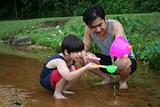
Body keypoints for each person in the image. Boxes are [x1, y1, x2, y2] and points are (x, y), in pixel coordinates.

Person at [82, 5, 137, 89]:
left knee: (122, 61)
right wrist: (82, 52)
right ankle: (108, 78)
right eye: (93, 27)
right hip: (108, 61)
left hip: (124, 60)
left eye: (100, 25)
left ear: (105, 19)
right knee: (81, 56)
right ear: (89, 26)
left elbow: (120, 42)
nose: (98, 29)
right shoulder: (88, 29)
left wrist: (116, 56)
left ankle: (122, 82)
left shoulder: (115, 25)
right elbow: (86, 46)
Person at [39, 34, 98, 99]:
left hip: (54, 79)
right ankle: (57, 93)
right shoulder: (59, 61)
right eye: (76, 52)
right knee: (66, 73)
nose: (80, 54)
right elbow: (68, 77)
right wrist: (85, 68)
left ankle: (63, 89)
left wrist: (87, 58)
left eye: (80, 51)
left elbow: (73, 70)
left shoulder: (71, 57)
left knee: (76, 70)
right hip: (46, 81)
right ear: (66, 52)